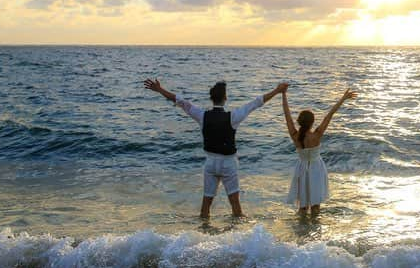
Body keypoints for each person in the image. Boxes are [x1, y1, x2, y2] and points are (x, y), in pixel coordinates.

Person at [143, 77, 288, 218]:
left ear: (211, 98)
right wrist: (277, 90)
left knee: (205, 207)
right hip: (228, 164)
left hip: (210, 164)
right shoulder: (233, 116)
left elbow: (181, 101)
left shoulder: (202, 116)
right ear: (225, 98)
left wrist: (160, 89)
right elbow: (256, 103)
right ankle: (238, 239)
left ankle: (202, 236)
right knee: (236, 208)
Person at [281, 87, 357, 216]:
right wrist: (343, 99)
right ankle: (315, 232)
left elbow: (287, 115)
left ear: (299, 122)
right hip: (316, 168)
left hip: (301, 168)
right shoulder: (317, 135)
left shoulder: (294, 135)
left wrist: (283, 95)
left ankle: (301, 231)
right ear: (312, 122)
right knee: (316, 206)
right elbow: (330, 114)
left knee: (303, 207)